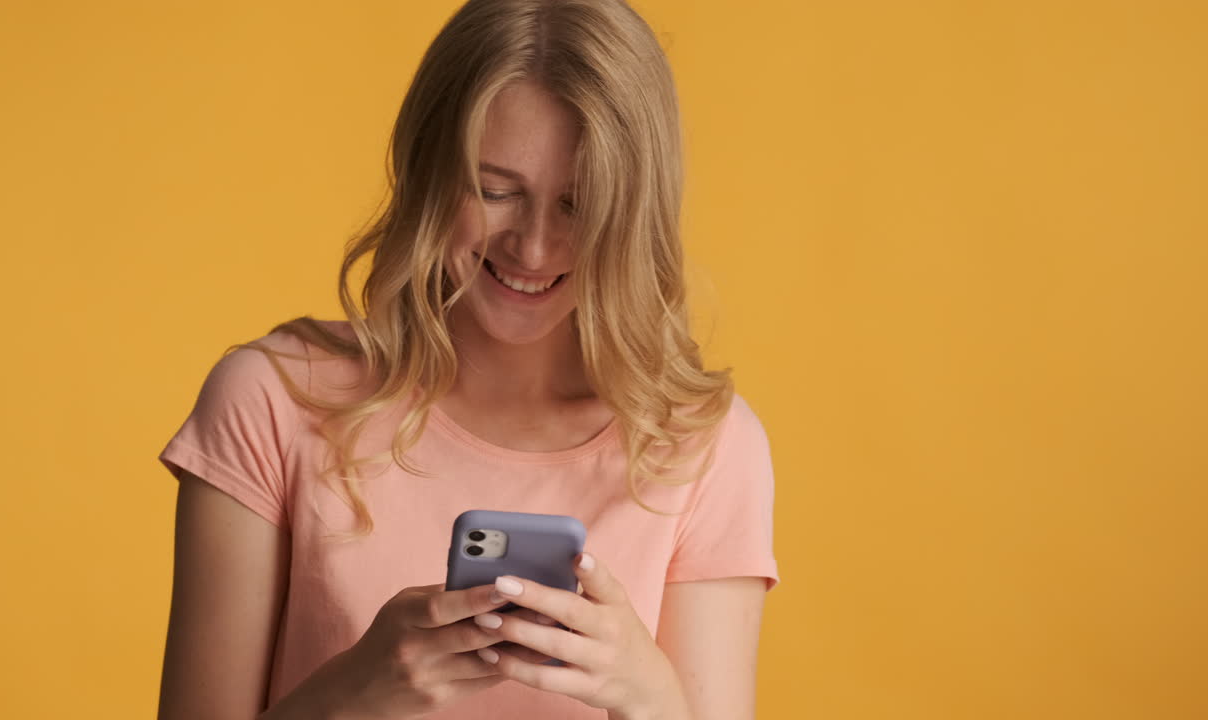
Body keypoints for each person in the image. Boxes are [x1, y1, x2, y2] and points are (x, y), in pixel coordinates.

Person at [155, 1, 778, 718]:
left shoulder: (705, 446)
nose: (533, 248)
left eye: (579, 205)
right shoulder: (272, 400)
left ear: (634, 211)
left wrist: (650, 696)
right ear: (426, 169)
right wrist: (354, 692)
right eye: (494, 191)